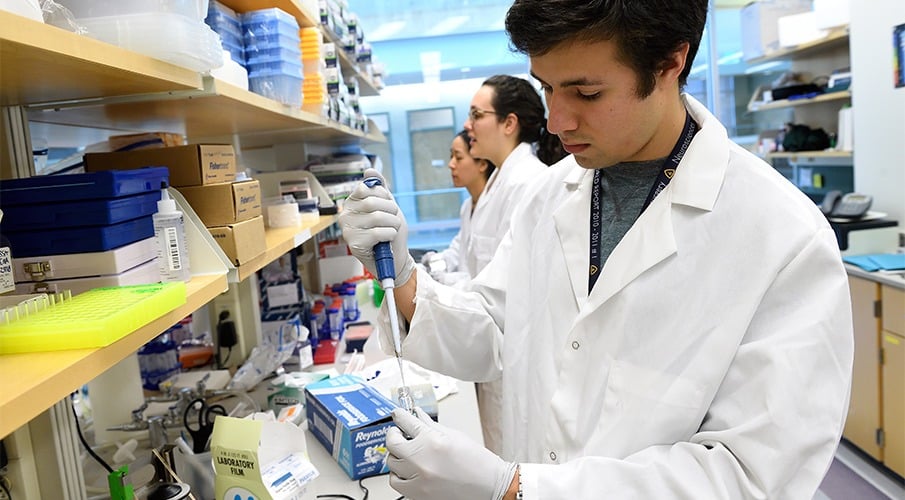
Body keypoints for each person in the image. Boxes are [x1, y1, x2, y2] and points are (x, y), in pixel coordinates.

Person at [339, 0, 854, 498]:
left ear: (671, 61)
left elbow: (750, 475)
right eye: (547, 88)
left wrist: (514, 488)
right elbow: (499, 327)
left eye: (586, 93)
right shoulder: (551, 194)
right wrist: (401, 275)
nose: (558, 121)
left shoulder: (783, 237)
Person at [420, 130, 497, 286]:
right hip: (465, 297)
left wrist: (446, 279)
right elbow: (458, 250)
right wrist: (435, 263)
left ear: (482, 164)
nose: (451, 164)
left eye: (459, 157)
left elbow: (488, 274)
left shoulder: (494, 206)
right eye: (451, 156)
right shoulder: (467, 206)